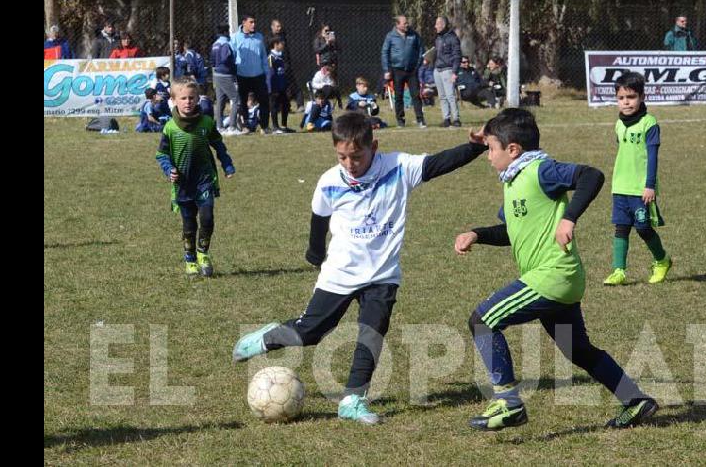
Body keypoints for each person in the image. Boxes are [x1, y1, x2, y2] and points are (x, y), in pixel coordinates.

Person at [232, 111, 488, 425]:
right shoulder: (329, 181)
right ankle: (267, 338)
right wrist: (314, 254)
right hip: (340, 272)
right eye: (342, 157)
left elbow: (438, 164)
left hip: (382, 274)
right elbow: (318, 221)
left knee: (371, 333)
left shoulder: (397, 168)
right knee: (311, 331)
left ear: (374, 147)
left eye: (357, 156)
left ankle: (353, 399)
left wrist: (475, 147)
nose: (350, 164)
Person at [455, 108, 658, 431]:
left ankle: (508, 402)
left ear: (513, 150)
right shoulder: (513, 181)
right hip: (559, 281)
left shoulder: (540, 170)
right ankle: (636, 400)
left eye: (491, 148)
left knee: (482, 320)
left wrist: (569, 217)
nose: (487, 155)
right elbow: (512, 232)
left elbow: (591, 175)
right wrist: (477, 234)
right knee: (578, 350)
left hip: (552, 276)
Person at [154, 78, 236, 277]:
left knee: (207, 218)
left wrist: (227, 164)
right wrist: (168, 169)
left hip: (204, 180)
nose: (188, 101)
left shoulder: (206, 123)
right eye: (183, 98)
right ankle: (190, 258)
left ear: (198, 98)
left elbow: (218, 145)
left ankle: (203, 253)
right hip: (182, 184)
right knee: (189, 224)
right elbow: (162, 154)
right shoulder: (170, 128)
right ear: (174, 100)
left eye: (192, 97)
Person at [603, 72, 672, 286]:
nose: (626, 102)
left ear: (642, 97)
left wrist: (649, 185)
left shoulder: (649, 123)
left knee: (643, 228)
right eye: (621, 98)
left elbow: (652, 157)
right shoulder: (619, 124)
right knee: (621, 228)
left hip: (641, 189)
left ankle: (662, 260)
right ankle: (619, 271)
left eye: (631, 97)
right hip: (620, 186)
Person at [381, 16, 426, 128]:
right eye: (404, 23)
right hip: (397, 70)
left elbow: (421, 49)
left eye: (407, 23)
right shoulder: (390, 36)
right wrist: (386, 70)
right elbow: (384, 53)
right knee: (399, 96)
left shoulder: (414, 34)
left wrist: (418, 64)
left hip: (412, 70)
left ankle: (420, 120)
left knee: (416, 95)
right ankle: (400, 120)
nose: (407, 25)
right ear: (397, 24)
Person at [230, 15, 271, 133]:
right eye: (251, 22)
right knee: (243, 102)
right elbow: (232, 55)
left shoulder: (259, 37)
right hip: (242, 76)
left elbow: (263, 55)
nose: (254, 24)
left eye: (254, 22)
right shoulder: (235, 38)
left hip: (258, 75)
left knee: (264, 101)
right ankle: (245, 126)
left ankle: (264, 126)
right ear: (244, 23)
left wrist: (266, 72)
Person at [432, 16, 462, 127]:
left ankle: (456, 119)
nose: (435, 26)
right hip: (438, 70)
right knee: (442, 96)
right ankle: (446, 118)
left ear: (443, 25)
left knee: (450, 95)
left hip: (448, 70)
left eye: (437, 24)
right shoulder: (438, 38)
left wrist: (454, 72)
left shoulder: (452, 38)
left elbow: (457, 55)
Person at [210, 24, 240, 134]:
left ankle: (219, 126)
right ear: (226, 31)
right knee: (236, 99)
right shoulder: (226, 44)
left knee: (220, 100)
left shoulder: (215, 44)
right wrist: (233, 65)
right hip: (226, 74)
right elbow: (226, 58)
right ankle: (232, 127)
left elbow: (212, 61)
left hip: (217, 74)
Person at [266, 37, 293, 134]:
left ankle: (284, 126)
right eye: (281, 43)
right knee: (274, 106)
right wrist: (271, 88)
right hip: (274, 88)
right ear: (275, 45)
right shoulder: (271, 57)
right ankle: (275, 127)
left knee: (285, 105)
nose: (283, 45)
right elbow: (270, 74)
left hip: (282, 87)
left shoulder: (280, 56)